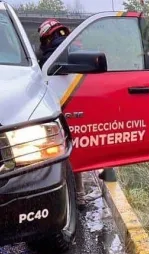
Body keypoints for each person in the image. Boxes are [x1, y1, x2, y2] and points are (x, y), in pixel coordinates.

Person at [36, 19, 87, 209]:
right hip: (72, 104)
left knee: (54, 152)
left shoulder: (46, 55)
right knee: (74, 147)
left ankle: (55, 201)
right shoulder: (73, 48)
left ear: (46, 36)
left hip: (51, 107)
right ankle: (80, 195)